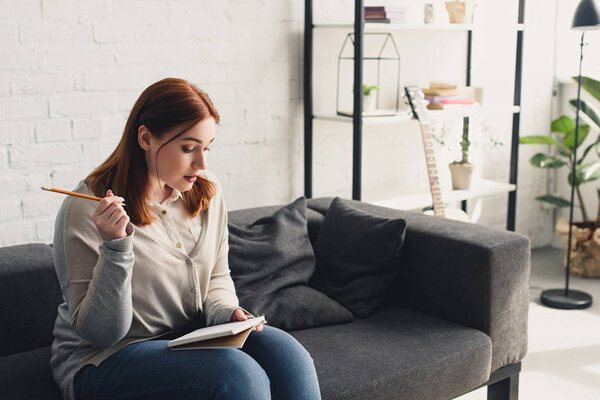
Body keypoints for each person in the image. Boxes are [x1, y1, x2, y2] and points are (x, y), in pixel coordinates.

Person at [50, 77, 322, 400]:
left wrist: (226, 312)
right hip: (104, 357)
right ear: (146, 138)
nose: (202, 163)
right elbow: (102, 333)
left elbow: (218, 276)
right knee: (238, 375)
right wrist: (116, 248)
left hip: (189, 337)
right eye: (189, 148)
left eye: (207, 148)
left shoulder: (206, 190)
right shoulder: (85, 209)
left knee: (290, 357)